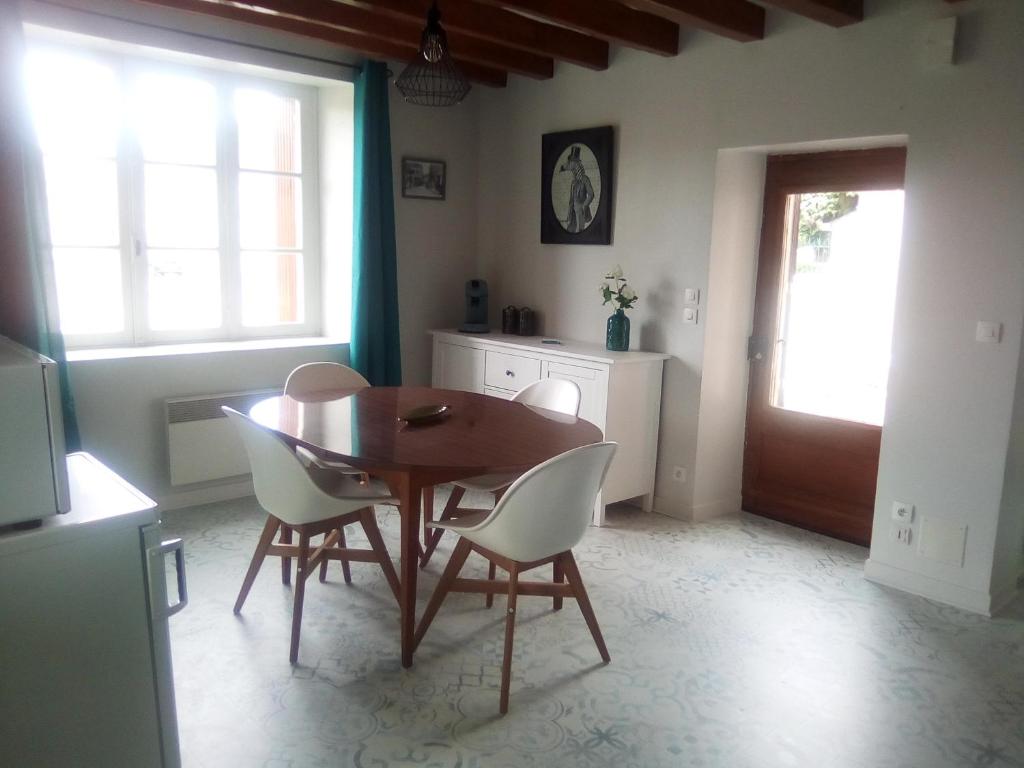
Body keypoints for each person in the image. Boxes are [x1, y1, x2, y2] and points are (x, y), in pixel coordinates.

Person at [559, 145, 595, 233]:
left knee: (580, 230)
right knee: (570, 230)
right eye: (570, 162)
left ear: (576, 164)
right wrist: (568, 214)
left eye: (572, 162)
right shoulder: (573, 182)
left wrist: (584, 205)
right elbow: (571, 200)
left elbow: (591, 194)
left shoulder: (585, 179)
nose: (570, 164)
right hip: (572, 212)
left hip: (580, 211)